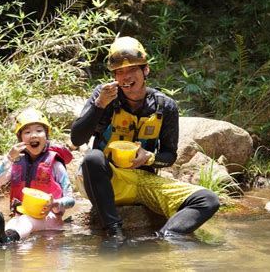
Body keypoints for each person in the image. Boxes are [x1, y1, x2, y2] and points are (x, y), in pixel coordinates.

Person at [71, 36, 220, 244]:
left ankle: (163, 238)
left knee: (207, 200)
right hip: (104, 180)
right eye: (119, 72)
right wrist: (99, 105)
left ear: (146, 70)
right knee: (92, 158)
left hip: (141, 181)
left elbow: (169, 156)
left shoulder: (165, 106)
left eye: (132, 69)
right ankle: (114, 233)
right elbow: (77, 138)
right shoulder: (104, 96)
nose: (126, 77)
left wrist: (149, 158)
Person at [0, 108, 75, 247]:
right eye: (27, 132)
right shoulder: (16, 162)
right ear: (20, 138)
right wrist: (9, 158)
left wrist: (56, 204)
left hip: (50, 218)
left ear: (46, 135)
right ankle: (1, 240)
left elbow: (71, 200)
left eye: (39, 131)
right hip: (21, 216)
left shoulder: (55, 164)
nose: (33, 135)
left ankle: (9, 239)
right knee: (13, 222)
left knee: (25, 221)